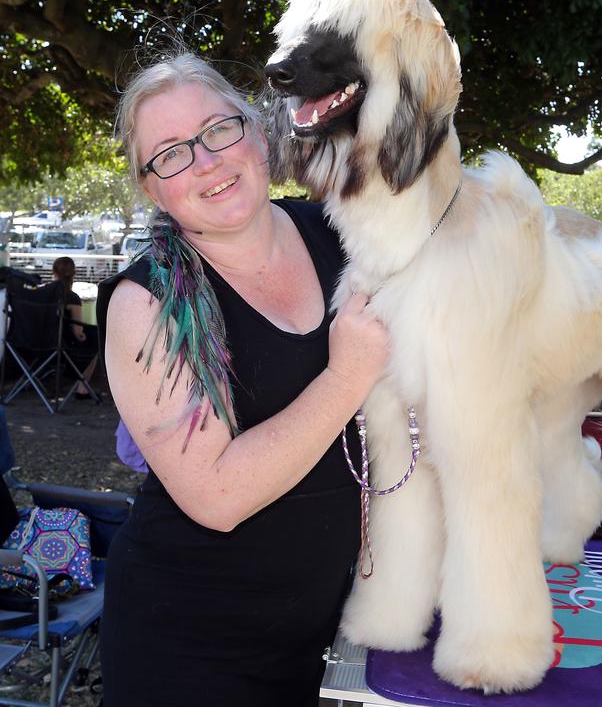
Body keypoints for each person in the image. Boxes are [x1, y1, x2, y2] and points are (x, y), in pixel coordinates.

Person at [96, 50, 389, 707]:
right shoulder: (147, 305)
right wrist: (348, 377)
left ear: (258, 130)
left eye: (218, 130)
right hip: (187, 650)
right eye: (170, 153)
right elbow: (217, 496)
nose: (206, 162)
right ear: (151, 187)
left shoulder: (343, 234)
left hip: (315, 631)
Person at [50, 256, 98, 399]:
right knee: (95, 341)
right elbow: (78, 331)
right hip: (62, 346)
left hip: (37, 343)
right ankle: (82, 389)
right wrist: (84, 335)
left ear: (54, 272)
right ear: (73, 273)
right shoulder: (71, 297)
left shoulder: (43, 293)